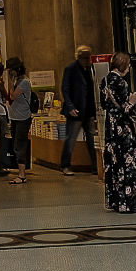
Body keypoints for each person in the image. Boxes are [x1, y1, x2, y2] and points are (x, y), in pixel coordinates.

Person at [99, 49, 136, 213]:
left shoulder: (104, 81)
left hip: (110, 128)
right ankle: (129, 202)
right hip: (122, 129)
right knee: (127, 162)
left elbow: (105, 105)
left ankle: (117, 201)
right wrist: (132, 102)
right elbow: (124, 110)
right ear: (124, 65)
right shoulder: (121, 83)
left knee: (114, 162)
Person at [57, 46, 96, 176]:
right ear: (78, 57)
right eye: (84, 57)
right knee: (71, 139)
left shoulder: (90, 69)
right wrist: (70, 106)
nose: (87, 60)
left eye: (88, 57)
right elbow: (65, 89)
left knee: (91, 139)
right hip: (76, 110)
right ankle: (65, 165)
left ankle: (96, 166)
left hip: (88, 110)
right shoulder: (71, 69)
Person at [0, 57, 34, 182]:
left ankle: (22, 174)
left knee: (20, 144)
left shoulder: (23, 82)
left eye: (11, 71)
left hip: (23, 117)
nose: (10, 73)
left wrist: (10, 81)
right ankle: (21, 172)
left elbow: (12, 95)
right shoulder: (18, 81)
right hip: (15, 117)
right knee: (16, 144)